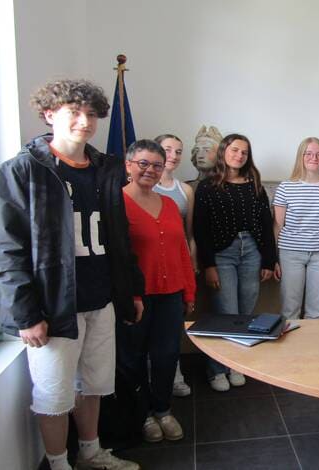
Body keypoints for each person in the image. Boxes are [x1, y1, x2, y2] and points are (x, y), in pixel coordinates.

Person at [0, 79, 143, 470]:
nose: (84, 122)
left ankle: (90, 452)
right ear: (49, 114)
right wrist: (26, 314)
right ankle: (58, 464)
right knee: (54, 395)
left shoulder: (106, 169)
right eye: (74, 112)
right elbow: (5, 248)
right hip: (54, 307)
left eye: (90, 114)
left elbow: (119, 238)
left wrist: (131, 291)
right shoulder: (23, 170)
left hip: (101, 299)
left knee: (95, 385)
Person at [117, 139, 196, 443]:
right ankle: (143, 415)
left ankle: (163, 409)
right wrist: (131, 296)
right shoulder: (116, 204)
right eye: (143, 163)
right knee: (133, 358)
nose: (150, 170)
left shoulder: (169, 205)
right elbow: (117, 258)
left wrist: (189, 292)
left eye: (156, 165)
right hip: (136, 297)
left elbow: (181, 252)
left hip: (171, 294)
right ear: (128, 165)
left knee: (166, 355)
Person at [193, 133, 276, 392]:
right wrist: (208, 265)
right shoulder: (207, 186)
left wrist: (269, 260)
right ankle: (217, 369)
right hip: (222, 254)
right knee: (226, 312)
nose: (239, 155)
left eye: (244, 152)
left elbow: (265, 224)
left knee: (245, 313)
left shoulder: (255, 185)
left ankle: (237, 365)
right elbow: (200, 229)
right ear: (224, 152)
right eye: (235, 150)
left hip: (252, 252)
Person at [272, 137, 319, 319]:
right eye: (309, 153)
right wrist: (273, 259)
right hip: (290, 253)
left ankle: (312, 339)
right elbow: (278, 225)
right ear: (301, 157)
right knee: (290, 309)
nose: (314, 158)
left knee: (316, 311)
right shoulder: (286, 187)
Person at [153, 133, 195, 398]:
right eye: (168, 149)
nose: (174, 156)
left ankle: (174, 375)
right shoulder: (140, 185)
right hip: (149, 268)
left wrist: (191, 267)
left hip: (177, 268)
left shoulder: (185, 191)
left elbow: (189, 235)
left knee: (173, 327)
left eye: (178, 151)